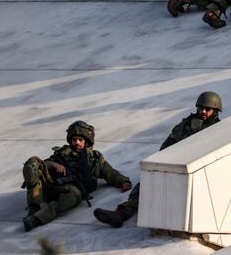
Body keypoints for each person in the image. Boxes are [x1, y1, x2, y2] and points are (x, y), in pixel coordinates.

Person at [93, 92, 222, 228]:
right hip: (176, 165)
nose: (203, 111)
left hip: (199, 172)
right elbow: (168, 144)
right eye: (201, 108)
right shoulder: (187, 124)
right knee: (146, 187)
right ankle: (120, 214)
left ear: (215, 111)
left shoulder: (220, 129)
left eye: (207, 109)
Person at [22, 121, 131, 232]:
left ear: (86, 141)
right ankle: (33, 205)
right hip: (52, 187)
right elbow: (46, 165)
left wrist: (123, 181)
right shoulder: (62, 153)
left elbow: (110, 172)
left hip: (71, 192)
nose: (77, 143)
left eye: (80, 140)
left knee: (74, 194)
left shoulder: (94, 158)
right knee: (32, 164)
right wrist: (55, 164)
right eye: (74, 140)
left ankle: (37, 219)